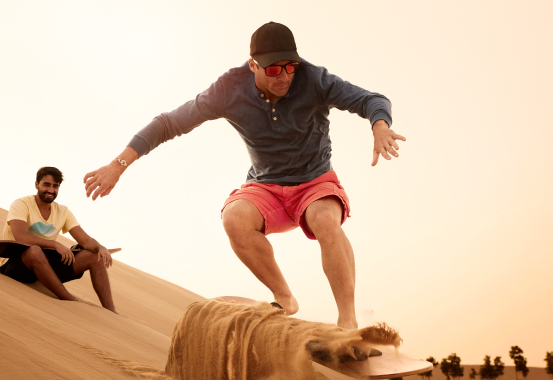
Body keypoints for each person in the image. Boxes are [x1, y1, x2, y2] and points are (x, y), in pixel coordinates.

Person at [83, 22, 405, 328]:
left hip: (315, 182)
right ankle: (284, 298)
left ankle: (347, 320)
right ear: (253, 65)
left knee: (325, 221)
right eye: (274, 69)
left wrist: (379, 126)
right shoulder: (228, 89)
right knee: (234, 219)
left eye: (290, 66)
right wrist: (118, 164)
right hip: (265, 186)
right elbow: (169, 123)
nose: (284, 76)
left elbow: (371, 99)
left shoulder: (314, 79)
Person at [0, 166, 116, 313]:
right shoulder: (21, 204)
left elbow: (85, 240)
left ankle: (111, 312)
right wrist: (54, 244)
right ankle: (69, 299)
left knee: (94, 256)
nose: (51, 190)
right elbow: (21, 237)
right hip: (15, 264)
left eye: (55, 186)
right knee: (34, 251)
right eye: (46, 185)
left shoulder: (63, 211)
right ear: (37, 184)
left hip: (45, 267)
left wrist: (101, 248)